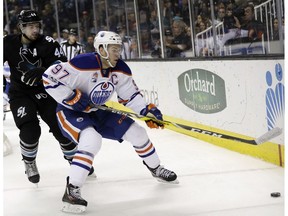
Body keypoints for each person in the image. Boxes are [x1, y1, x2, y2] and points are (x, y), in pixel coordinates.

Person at [42, 31, 178, 213]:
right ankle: (72, 190)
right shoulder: (83, 63)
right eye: (113, 49)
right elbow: (49, 77)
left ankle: (156, 169)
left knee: (137, 133)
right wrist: (70, 97)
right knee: (91, 140)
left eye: (119, 49)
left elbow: (130, 95)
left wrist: (146, 111)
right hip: (70, 112)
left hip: (99, 111)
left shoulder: (121, 69)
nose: (117, 53)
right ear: (101, 49)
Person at [3, 10, 93, 185]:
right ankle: (29, 163)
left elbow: (61, 66)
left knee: (61, 129)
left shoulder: (48, 43)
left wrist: (44, 70)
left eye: (37, 25)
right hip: (20, 94)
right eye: (30, 26)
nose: (35, 29)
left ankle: (75, 162)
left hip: (46, 92)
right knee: (30, 131)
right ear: (21, 27)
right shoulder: (7, 43)